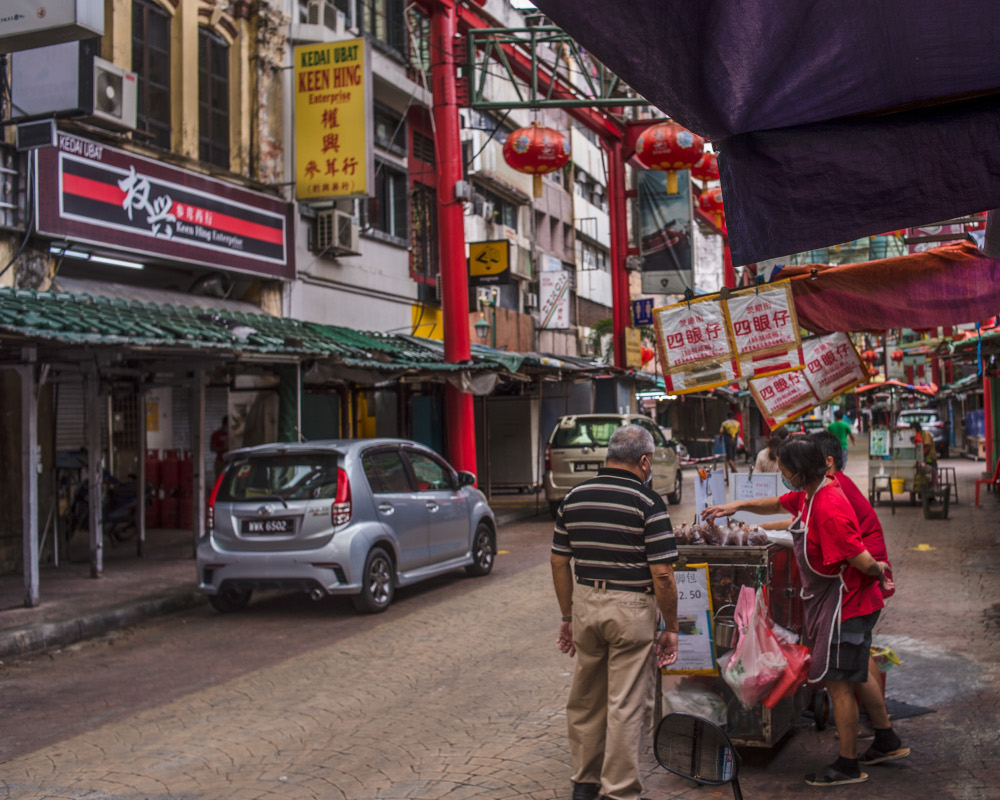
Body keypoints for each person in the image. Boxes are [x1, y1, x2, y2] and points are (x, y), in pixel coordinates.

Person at [701, 437, 907, 787]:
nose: (782, 477)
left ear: (800, 471)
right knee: (854, 671)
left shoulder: (829, 507)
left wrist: (879, 571)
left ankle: (847, 765)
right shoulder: (812, 493)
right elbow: (778, 503)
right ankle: (886, 740)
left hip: (848, 603)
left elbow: (860, 558)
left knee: (839, 683)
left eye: (783, 471)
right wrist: (736, 506)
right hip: (838, 601)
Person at [551, 424, 680, 800]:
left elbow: (559, 562)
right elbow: (662, 573)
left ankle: (584, 783)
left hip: (586, 604)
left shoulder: (573, 497)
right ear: (643, 461)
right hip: (631, 608)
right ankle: (619, 791)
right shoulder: (647, 502)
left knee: (586, 699)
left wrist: (566, 616)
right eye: (650, 462)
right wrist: (670, 626)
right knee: (625, 703)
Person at [720, 410, 741, 474]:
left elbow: (721, 433)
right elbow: (738, 432)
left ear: (727, 416)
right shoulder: (737, 423)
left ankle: (735, 470)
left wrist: (719, 441)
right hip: (735, 441)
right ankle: (733, 473)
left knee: (729, 458)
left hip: (728, 441)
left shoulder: (724, 423)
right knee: (733, 457)